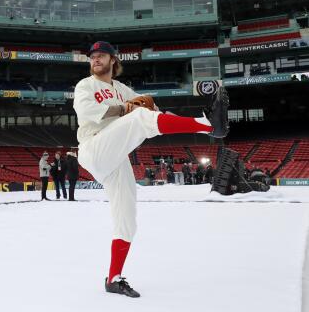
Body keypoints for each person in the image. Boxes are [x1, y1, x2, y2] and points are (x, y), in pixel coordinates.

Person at [73, 41, 228, 297]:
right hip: (93, 147)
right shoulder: (85, 85)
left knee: (127, 220)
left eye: (101, 55)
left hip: (116, 157)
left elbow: (155, 114)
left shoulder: (123, 89)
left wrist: (152, 109)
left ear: (113, 60)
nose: (95, 59)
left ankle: (113, 278)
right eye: (92, 56)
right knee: (139, 117)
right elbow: (86, 111)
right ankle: (209, 125)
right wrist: (126, 109)